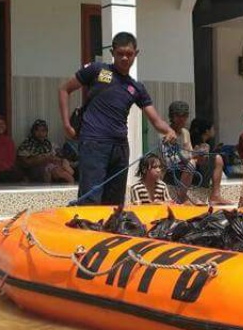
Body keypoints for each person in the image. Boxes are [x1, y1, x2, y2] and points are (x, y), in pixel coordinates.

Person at [58, 31, 176, 204]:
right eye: (120, 53)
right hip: (94, 144)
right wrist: (67, 125)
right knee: (90, 201)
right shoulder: (98, 70)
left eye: (129, 54)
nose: (124, 58)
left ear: (136, 54)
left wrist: (169, 130)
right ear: (112, 52)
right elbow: (64, 89)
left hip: (120, 148)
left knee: (114, 204)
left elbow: (156, 121)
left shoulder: (136, 87)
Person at [17, 119, 75, 184]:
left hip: (53, 167)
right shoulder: (27, 144)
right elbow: (24, 162)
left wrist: (57, 159)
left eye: (43, 131)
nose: (40, 133)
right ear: (33, 131)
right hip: (34, 169)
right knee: (56, 172)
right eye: (37, 130)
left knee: (66, 173)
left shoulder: (49, 144)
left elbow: (59, 156)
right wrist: (41, 159)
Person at [188, 117, 229, 204]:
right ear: (207, 131)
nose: (214, 130)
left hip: (196, 174)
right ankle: (215, 195)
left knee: (216, 157)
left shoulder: (204, 143)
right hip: (196, 176)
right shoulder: (200, 145)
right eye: (212, 128)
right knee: (218, 159)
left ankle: (216, 196)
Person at [0, 114, 26, 184]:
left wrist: (0, 170)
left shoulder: (8, 141)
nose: (1, 126)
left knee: (16, 174)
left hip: (6, 170)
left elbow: (11, 160)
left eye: (2, 123)